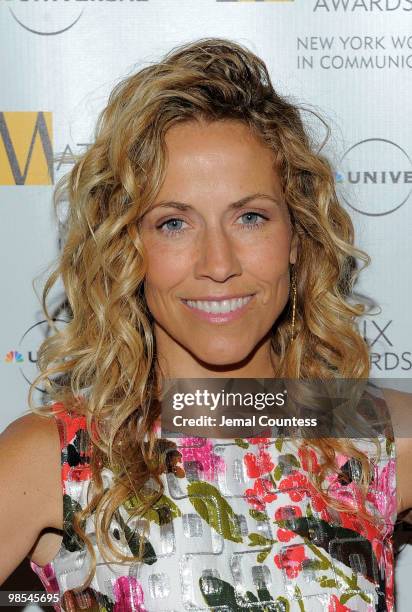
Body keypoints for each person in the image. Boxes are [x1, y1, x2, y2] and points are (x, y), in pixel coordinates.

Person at [0, 37, 411, 612]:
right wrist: (35, 596)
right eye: (174, 223)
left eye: (250, 217)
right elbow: (19, 590)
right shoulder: (59, 455)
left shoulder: (379, 436)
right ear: (128, 246)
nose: (218, 265)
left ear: (296, 236)